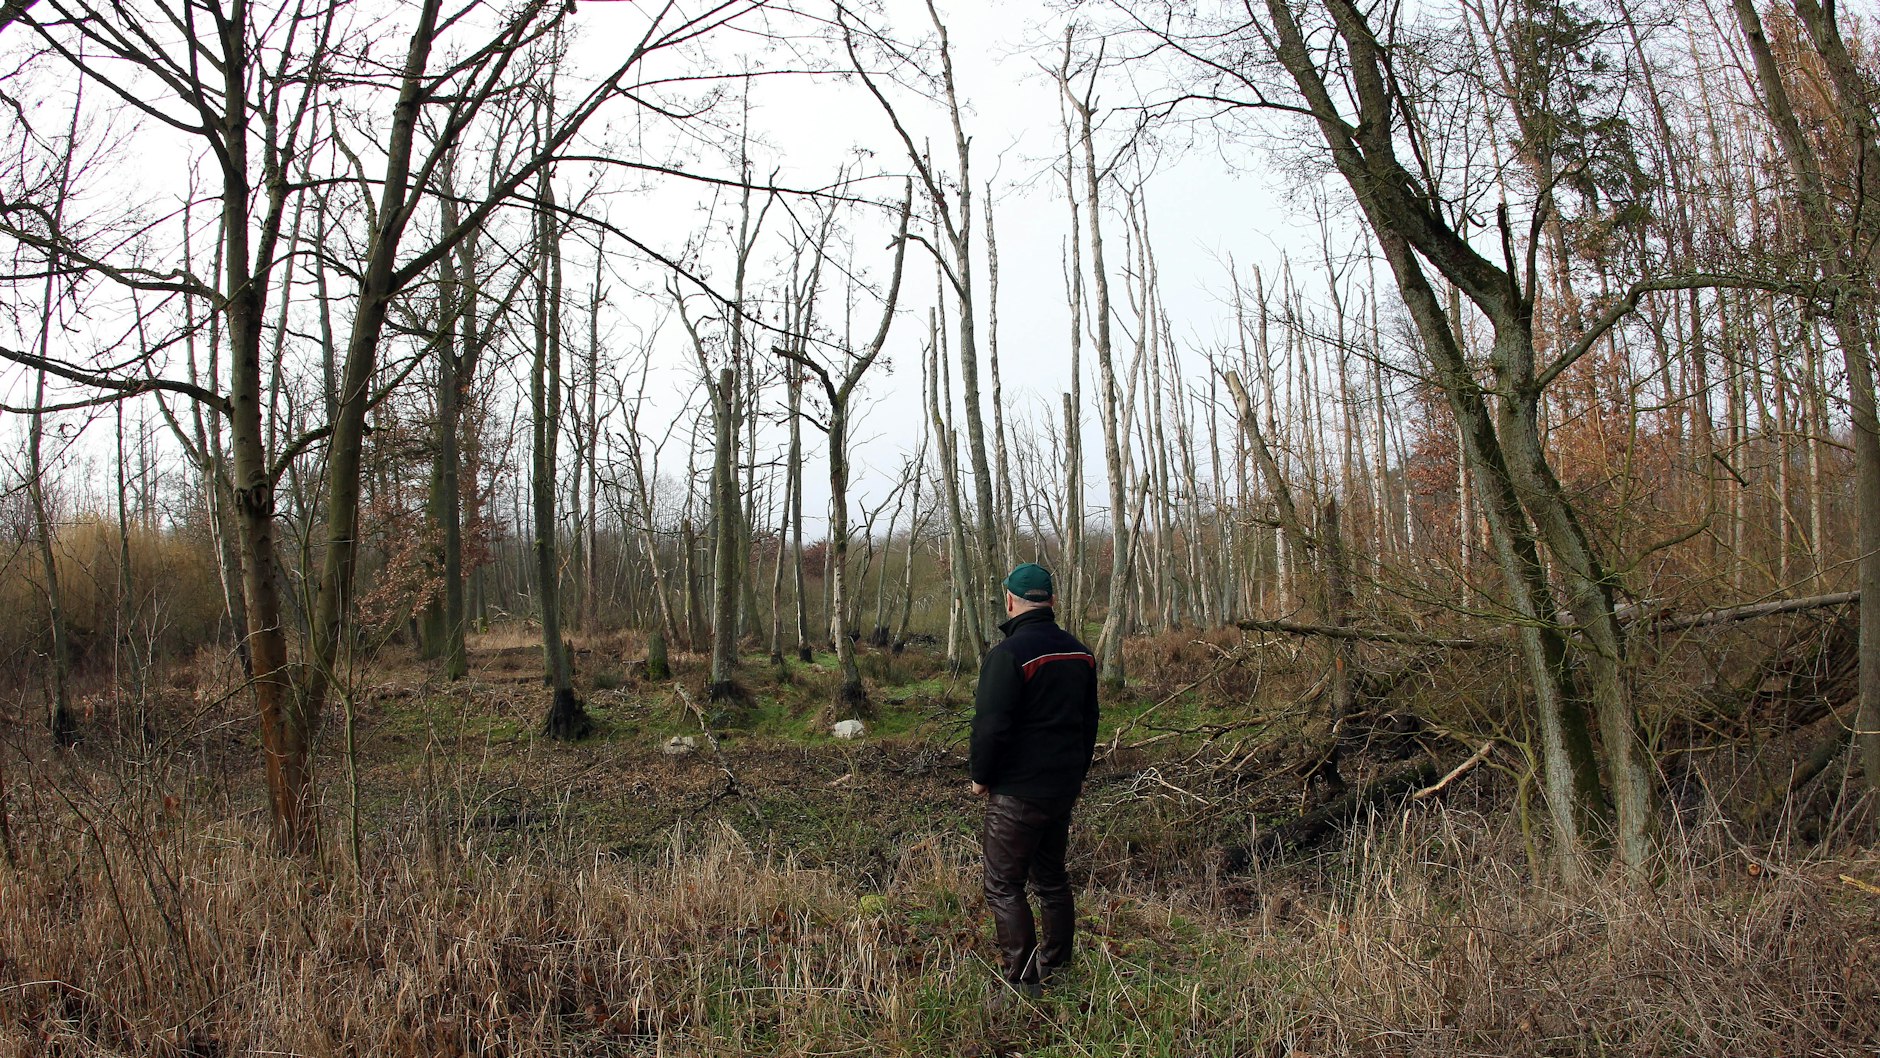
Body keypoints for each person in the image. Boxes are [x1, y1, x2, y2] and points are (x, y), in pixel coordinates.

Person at [969, 562, 1099, 999]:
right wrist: (1077, 775)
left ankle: (1023, 982)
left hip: (1018, 792)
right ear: (1052, 601)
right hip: (1061, 788)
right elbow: (1089, 722)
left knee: (1004, 884)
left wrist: (980, 777)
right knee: (1052, 879)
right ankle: (1057, 966)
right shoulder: (1080, 652)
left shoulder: (1008, 655)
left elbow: (991, 724)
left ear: (1010, 600)